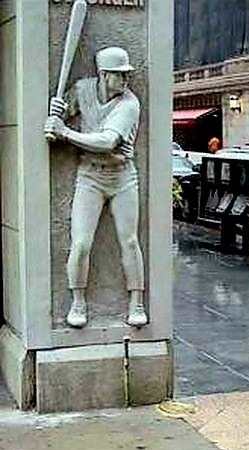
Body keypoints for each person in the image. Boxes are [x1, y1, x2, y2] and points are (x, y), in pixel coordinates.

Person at [44, 46, 147, 329]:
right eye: (119, 74)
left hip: (122, 176)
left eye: (126, 74)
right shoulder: (82, 90)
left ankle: (136, 301)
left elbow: (107, 142)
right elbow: (60, 117)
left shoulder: (129, 103)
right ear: (103, 74)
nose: (125, 79)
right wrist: (57, 114)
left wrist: (65, 133)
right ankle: (78, 301)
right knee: (80, 243)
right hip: (89, 176)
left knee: (129, 241)